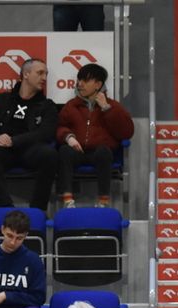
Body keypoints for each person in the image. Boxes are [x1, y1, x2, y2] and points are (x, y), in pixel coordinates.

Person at [0, 56, 61, 210]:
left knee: (50, 154)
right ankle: (5, 207)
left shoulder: (47, 106)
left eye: (46, 74)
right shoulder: (1, 100)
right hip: (4, 151)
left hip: (31, 150)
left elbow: (46, 133)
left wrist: (14, 141)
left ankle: (38, 209)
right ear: (26, 74)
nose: (44, 78)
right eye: (40, 73)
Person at [56, 62, 134, 209]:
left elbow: (126, 132)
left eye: (85, 80)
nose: (80, 84)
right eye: (79, 80)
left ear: (98, 84)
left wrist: (106, 109)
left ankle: (103, 201)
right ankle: (67, 200)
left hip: (99, 153)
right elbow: (59, 126)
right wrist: (68, 137)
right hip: (77, 151)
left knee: (104, 152)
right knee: (64, 151)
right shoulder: (71, 105)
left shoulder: (113, 106)